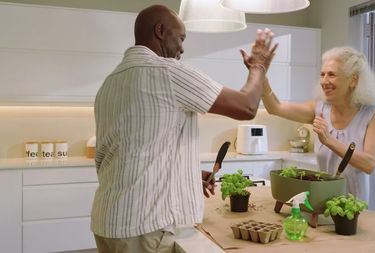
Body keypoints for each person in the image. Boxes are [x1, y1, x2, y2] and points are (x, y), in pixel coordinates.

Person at [92, 4, 277, 253]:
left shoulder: (110, 83)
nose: (182, 48)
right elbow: (246, 107)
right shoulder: (167, 72)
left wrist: (185, 175)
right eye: (181, 38)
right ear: (160, 31)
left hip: (108, 221)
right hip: (144, 226)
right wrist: (259, 67)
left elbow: (128, 154)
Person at [261, 46, 375, 213]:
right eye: (322, 74)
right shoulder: (319, 109)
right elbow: (275, 108)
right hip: (332, 208)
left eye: (332, 74)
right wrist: (262, 78)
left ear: (353, 80)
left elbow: (369, 163)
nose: (324, 81)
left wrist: (328, 140)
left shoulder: (374, 114)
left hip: (370, 209)